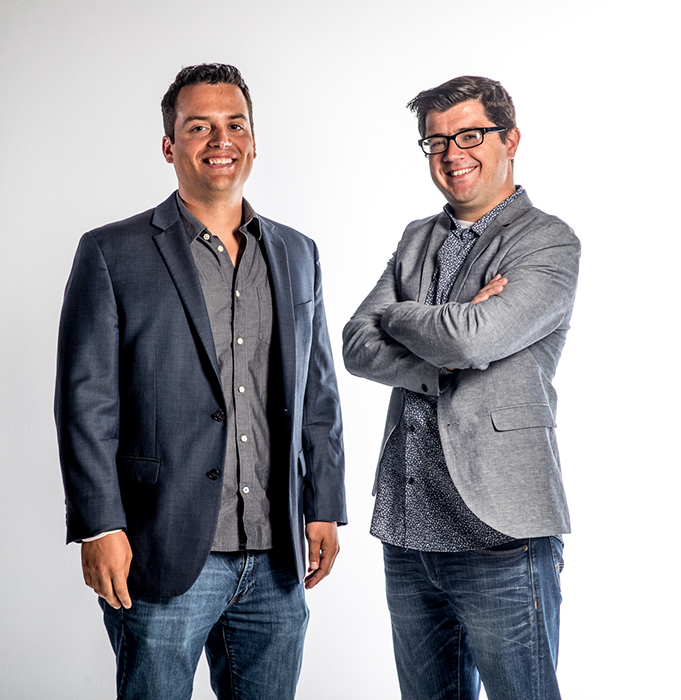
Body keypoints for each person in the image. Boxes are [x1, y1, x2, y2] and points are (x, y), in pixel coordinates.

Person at [54, 63, 346, 700]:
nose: (221, 141)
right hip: (159, 548)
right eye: (199, 127)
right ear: (169, 146)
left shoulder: (298, 253)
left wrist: (324, 504)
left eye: (235, 125)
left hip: (277, 555)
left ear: (254, 141)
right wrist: (99, 527)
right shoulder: (112, 252)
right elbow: (85, 402)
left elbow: (318, 393)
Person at [342, 76, 580, 700]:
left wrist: (399, 315)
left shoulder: (547, 240)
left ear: (511, 140)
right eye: (437, 141)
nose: (452, 154)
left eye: (470, 135)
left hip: (500, 535)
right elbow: (356, 344)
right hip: (408, 528)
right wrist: (440, 340)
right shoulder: (416, 237)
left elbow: (473, 340)